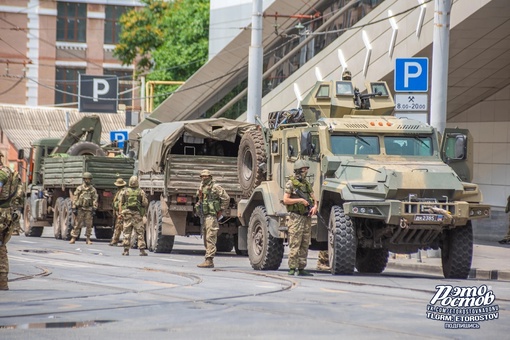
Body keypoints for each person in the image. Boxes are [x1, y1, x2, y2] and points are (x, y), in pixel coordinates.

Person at [283, 159, 318, 276]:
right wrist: (300, 200)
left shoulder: (306, 184)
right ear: (298, 170)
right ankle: (292, 268)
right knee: (295, 242)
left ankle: (302, 267)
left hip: (306, 217)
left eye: (307, 169)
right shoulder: (291, 183)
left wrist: (315, 207)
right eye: (304, 169)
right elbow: (286, 200)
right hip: (296, 217)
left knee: (305, 243)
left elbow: (313, 198)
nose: (306, 171)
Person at [195, 169, 229, 268]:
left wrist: (221, 210)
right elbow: (200, 199)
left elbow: (226, 198)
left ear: (210, 177)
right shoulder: (201, 187)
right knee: (206, 237)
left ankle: (209, 259)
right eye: (202, 176)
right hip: (205, 215)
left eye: (206, 176)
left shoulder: (215, 187)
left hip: (211, 216)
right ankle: (208, 258)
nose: (204, 178)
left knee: (210, 237)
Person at [0, 151, 24, 290]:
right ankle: (3, 282)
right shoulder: (10, 172)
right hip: (6, 215)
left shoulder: (2, 174)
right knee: (1, 247)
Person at [119, 176, 148, 256]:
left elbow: (121, 203)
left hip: (127, 214)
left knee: (126, 233)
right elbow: (145, 203)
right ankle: (142, 251)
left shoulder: (125, 191)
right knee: (140, 233)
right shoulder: (141, 192)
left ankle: (126, 250)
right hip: (137, 215)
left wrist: (121, 213)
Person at [69, 172, 98, 245]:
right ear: (84, 179)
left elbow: (95, 199)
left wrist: (94, 208)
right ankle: (73, 238)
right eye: (86, 179)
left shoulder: (92, 189)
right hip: (80, 209)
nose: (87, 180)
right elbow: (75, 198)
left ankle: (88, 239)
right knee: (77, 224)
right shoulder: (79, 188)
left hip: (89, 209)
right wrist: (74, 207)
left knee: (89, 225)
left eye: (89, 179)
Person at [110, 177, 127, 246]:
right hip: (121, 212)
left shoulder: (121, 192)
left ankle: (119, 241)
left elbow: (120, 203)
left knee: (121, 227)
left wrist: (120, 213)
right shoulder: (122, 191)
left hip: (121, 212)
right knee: (119, 226)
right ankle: (115, 240)